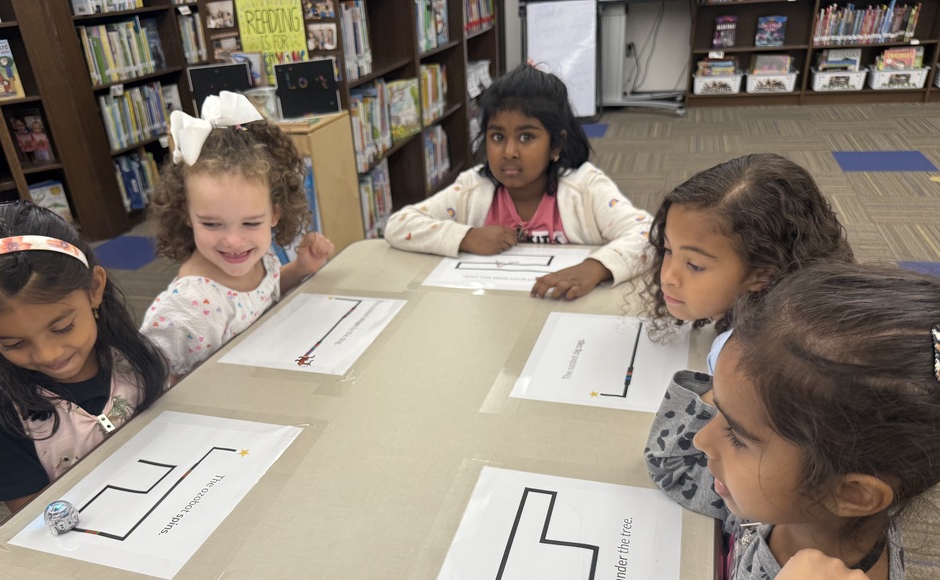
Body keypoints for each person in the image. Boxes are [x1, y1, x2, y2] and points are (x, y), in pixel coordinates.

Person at [553, 262, 940, 580]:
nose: (701, 438)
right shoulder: (805, 514)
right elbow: (673, 465)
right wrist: (738, 387)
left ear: (853, 492)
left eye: (736, 433)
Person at [0, 201, 168, 513]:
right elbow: (33, 520)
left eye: (63, 327)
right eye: (12, 343)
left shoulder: (132, 355)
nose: (48, 354)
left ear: (95, 288)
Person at [383, 64, 652, 301]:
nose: (509, 151)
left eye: (526, 137)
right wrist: (466, 237)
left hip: (566, 310)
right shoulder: (471, 189)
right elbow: (398, 226)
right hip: (497, 311)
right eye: (498, 137)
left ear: (555, 145)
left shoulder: (585, 189)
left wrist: (595, 267)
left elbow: (649, 235)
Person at [143, 91, 333, 379]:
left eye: (250, 224)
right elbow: (148, 379)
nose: (233, 241)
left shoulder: (260, 257)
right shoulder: (186, 310)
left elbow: (263, 293)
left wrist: (300, 269)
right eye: (211, 224)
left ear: (275, 214)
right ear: (186, 214)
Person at [640, 153, 853, 372]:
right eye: (667, 249)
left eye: (694, 265)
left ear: (762, 274)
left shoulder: (755, 364)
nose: (667, 276)